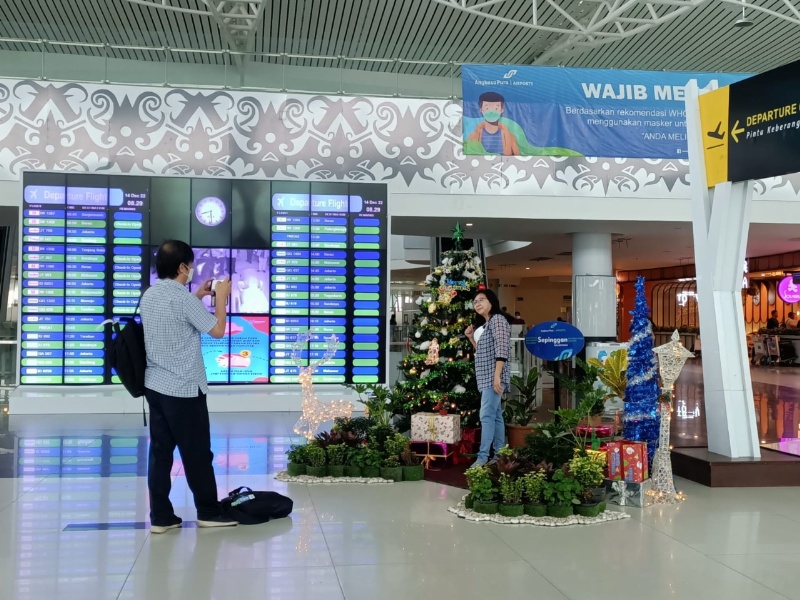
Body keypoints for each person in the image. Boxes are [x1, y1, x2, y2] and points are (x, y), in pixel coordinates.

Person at [140, 240, 238, 533]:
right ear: (182, 267)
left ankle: (160, 517)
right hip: (183, 389)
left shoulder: (150, 295)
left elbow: (178, 317)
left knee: (160, 453)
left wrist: (198, 296)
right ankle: (208, 511)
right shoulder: (181, 299)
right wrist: (220, 297)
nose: (192, 269)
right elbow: (218, 331)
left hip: (155, 386)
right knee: (196, 453)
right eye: (190, 264)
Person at [464, 289, 511, 467]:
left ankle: (483, 457)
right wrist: (471, 338)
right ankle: (499, 455)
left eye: (481, 300)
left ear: (492, 301)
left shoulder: (498, 320)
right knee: (496, 415)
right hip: (485, 376)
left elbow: (502, 349)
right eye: (475, 302)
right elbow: (482, 352)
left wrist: (497, 376)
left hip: (493, 376)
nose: (477, 303)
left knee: (486, 415)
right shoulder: (486, 324)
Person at [466, 92, 520, 156]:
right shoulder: (473, 137)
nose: (491, 112)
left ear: (502, 110)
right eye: (487, 108)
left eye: (496, 108)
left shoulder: (510, 137)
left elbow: (517, 157)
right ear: (481, 110)